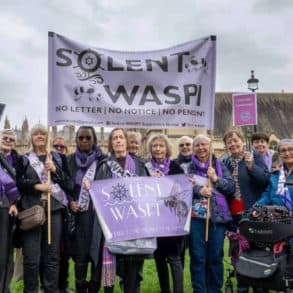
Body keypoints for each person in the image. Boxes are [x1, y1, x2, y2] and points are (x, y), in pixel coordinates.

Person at [90, 128, 149, 293]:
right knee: (109, 262)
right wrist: (92, 188)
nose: (118, 140)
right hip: (110, 223)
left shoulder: (139, 165)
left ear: (126, 141)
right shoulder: (103, 165)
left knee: (131, 267)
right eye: (114, 138)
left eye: (121, 137)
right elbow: (98, 193)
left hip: (132, 222)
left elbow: (147, 190)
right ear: (111, 143)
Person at [16, 124, 73, 293]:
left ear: (48, 137)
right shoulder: (24, 159)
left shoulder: (58, 158)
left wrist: (55, 170)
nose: (40, 136)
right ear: (31, 137)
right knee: (32, 258)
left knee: (52, 257)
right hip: (32, 213)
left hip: (54, 212)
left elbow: (69, 185)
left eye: (43, 133)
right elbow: (19, 184)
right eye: (36, 134)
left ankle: (50, 289)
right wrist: (37, 186)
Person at [222, 129, 270, 293]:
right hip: (234, 215)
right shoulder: (226, 162)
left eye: (236, 140)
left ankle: (259, 287)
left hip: (253, 214)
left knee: (256, 252)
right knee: (238, 253)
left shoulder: (254, 156)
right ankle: (242, 287)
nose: (233, 144)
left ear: (242, 141)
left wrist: (251, 166)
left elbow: (265, 181)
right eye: (230, 142)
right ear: (226, 145)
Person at [187, 134, 235, 293]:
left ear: (210, 146)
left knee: (215, 257)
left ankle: (214, 289)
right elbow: (180, 188)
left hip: (216, 219)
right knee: (198, 257)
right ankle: (199, 289)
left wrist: (215, 178)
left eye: (204, 144)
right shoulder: (188, 167)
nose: (201, 148)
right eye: (197, 145)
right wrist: (197, 190)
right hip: (195, 219)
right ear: (193, 149)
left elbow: (230, 188)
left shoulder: (220, 166)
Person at [67, 126, 107, 293]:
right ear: (76, 140)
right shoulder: (68, 160)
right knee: (81, 255)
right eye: (81, 138)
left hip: (99, 216)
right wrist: (70, 202)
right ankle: (81, 288)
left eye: (88, 138)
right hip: (80, 215)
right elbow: (64, 187)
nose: (84, 141)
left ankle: (94, 288)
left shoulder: (104, 161)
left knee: (97, 254)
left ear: (94, 140)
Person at [145, 133, 185, 293]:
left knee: (174, 258)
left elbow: (182, 190)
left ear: (167, 148)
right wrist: (150, 181)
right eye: (155, 146)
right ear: (151, 149)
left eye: (161, 146)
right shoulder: (146, 168)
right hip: (154, 220)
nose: (158, 149)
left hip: (173, 221)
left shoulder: (176, 167)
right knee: (159, 258)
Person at [0, 129, 19, 293]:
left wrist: (14, 203)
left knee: (5, 252)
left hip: (6, 210)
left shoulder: (18, 161)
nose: (7, 140)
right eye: (4, 138)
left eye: (10, 139)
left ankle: (4, 287)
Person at [254, 138, 293, 209]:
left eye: (290, 149)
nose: (287, 153)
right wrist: (257, 206)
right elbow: (267, 195)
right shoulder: (275, 175)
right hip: (279, 218)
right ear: (279, 154)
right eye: (283, 151)